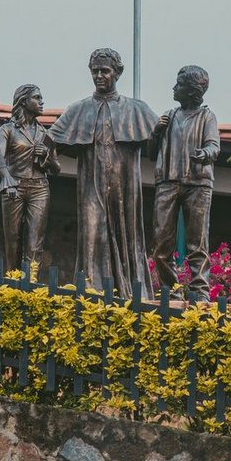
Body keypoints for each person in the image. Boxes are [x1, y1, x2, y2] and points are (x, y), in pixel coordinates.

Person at [47, 48, 158, 299]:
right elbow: (50, 141)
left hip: (125, 186)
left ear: (117, 73)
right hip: (91, 184)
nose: (99, 76)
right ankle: (92, 290)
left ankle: (130, 289)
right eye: (95, 71)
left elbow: (158, 141)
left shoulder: (136, 109)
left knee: (127, 235)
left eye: (105, 71)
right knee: (92, 230)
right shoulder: (78, 110)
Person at [148, 65, 220, 298]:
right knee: (161, 243)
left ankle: (199, 290)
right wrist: (157, 132)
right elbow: (151, 154)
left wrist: (205, 154)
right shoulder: (169, 117)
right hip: (167, 182)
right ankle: (171, 290)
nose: (173, 88)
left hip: (197, 183)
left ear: (191, 91)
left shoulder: (206, 116)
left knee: (197, 241)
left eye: (179, 85)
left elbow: (214, 146)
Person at [0, 84, 60, 272]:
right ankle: (13, 283)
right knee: (13, 240)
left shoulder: (45, 134)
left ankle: (31, 283)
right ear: (24, 101)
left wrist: (47, 157)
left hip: (40, 189)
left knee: (35, 242)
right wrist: (7, 180)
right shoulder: (7, 130)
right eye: (37, 98)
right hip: (14, 186)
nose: (42, 102)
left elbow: (56, 168)